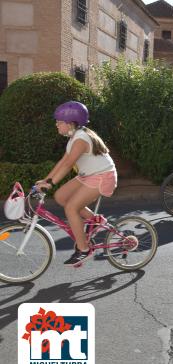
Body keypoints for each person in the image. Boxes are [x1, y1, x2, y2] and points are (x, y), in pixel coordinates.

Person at [36, 101, 117, 266]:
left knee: (71, 208)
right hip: (88, 175)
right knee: (60, 196)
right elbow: (62, 161)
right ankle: (95, 220)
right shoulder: (74, 137)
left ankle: (84, 249)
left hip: (102, 176)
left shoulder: (81, 139)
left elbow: (67, 165)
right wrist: (46, 180)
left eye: (59, 122)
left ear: (70, 122)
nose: (56, 124)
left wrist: (50, 183)